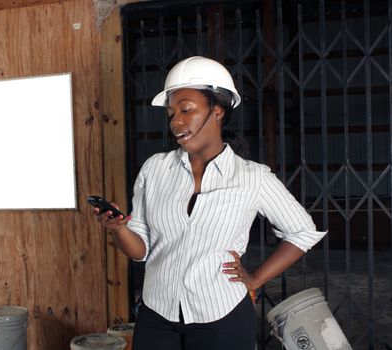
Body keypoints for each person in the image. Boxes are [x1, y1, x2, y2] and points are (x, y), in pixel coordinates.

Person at [92, 56, 327, 350]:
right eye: (171, 113)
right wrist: (119, 228)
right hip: (156, 314)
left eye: (186, 110)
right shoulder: (155, 169)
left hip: (222, 315)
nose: (176, 121)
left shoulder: (252, 177)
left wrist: (254, 279)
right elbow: (140, 252)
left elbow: (303, 231)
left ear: (217, 111)